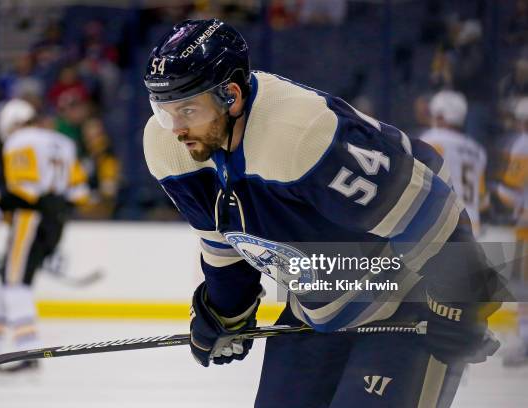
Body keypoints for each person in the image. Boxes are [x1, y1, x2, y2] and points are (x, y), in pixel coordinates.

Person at [143, 19, 505, 407]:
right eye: (164, 111)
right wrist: (226, 310)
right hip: (319, 306)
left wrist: (461, 299)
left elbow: (429, 210)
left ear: (231, 96)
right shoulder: (168, 148)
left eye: (188, 110)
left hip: (406, 294)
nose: (176, 129)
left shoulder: (302, 134)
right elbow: (225, 240)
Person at [0, 98, 89, 371]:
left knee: (15, 284)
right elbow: (79, 192)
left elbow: (25, 191)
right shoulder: (63, 143)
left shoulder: (20, 141)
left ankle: (27, 352)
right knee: (2, 280)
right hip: (55, 220)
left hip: (29, 220)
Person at [420, 90, 487, 236]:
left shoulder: (432, 139)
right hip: (473, 226)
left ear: (440, 115)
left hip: (441, 228)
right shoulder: (477, 150)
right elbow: (482, 199)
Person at [494, 97, 528, 367]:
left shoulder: (523, 143)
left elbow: (510, 193)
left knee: (524, 288)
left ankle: (527, 342)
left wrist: (496, 190)